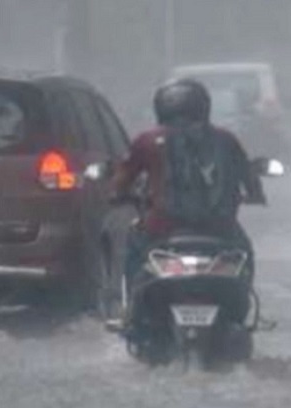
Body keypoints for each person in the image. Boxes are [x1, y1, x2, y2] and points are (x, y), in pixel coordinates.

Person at [112, 79, 265, 332]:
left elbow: (121, 181)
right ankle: (243, 313)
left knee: (134, 250)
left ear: (161, 108)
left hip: (161, 230)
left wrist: (117, 195)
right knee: (244, 253)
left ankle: (129, 314)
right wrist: (256, 195)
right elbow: (248, 177)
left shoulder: (147, 141)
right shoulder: (225, 139)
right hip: (220, 230)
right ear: (204, 107)